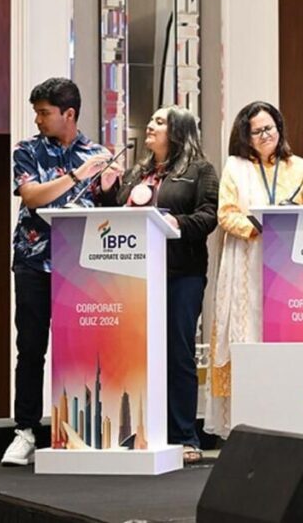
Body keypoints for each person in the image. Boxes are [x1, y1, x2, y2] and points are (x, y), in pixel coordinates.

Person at [97, 106, 218, 464]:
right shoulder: (138, 171)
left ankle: (184, 436)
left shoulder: (200, 170)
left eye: (160, 122)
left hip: (182, 274)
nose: (150, 125)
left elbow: (208, 215)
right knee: (137, 354)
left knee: (178, 353)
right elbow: (118, 212)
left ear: (178, 131)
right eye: (151, 120)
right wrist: (108, 190)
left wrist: (173, 222)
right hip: (135, 276)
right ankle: (142, 432)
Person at [2, 78, 111, 466]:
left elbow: (109, 207)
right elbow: (33, 197)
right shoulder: (26, 150)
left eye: (44, 112)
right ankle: (26, 431)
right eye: (36, 112)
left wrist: (109, 183)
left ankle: (79, 431)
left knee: (81, 351)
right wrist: (78, 175)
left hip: (81, 267)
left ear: (69, 114)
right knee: (31, 347)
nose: (38, 119)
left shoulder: (98, 154)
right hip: (33, 261)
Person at [205, 101, 303, 436]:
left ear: (279, 128)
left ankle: (288, 417)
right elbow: (225, 214)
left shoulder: (299, 167)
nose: (265, 135)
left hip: (288, 265)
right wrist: (259, 227)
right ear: (246, 136)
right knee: (246, 333)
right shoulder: (236, 167)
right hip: (247, 259)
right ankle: (246, 422)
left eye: (269, 128)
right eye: (256, 131)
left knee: (283, 338)